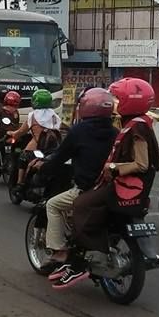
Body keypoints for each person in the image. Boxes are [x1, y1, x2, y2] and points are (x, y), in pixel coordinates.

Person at [60, 78, 159, 289]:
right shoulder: (139, 123)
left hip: (125, 186)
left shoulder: (137, 128)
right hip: (134, 190)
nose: (113, 103)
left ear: (128, 101)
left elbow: (141, 164)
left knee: (81, 205)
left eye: (117, 98)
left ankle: (94, 255)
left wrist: (114, 168)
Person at [32, 88, 118, 275]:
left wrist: (43, 167)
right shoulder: (115, 131)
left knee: (53, 205)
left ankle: (60, 251)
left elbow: (60, 156)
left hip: (87, 188)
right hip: (110, 188)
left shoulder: (79, 130)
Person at [8, 89, 62, 189]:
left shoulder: (32, 115)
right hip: (54, 149)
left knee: (22, 157)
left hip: (37, 148)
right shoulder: (55, 115)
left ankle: (20, 183)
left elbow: (20, 132)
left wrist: (11, 133)